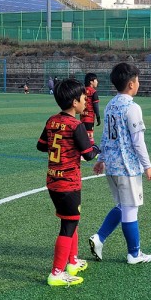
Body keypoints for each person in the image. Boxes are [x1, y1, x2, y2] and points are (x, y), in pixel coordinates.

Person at [89, 62, 151, 265]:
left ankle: (99, 238)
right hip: (127, 167)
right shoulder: (132, 107)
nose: (139, 83)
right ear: (131, 84)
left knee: (122, 205)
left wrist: (101, 159)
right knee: (130, 208)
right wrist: (147, 165)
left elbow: (106, 136)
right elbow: (138, 141)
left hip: (111, 166)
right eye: (137, 80)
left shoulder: (110, 105)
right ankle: (134, 254)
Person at [36, 78, 100, 287]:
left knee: (71, 219)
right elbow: (88, 155)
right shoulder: (76, 125)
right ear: (74, 102)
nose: (86, 102)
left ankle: (72, 262)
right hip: (68, 182)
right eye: (83, 98)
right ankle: (56, 273)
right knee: (69, 223)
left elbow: (41, 146)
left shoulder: (52, 120)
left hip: (53, 179)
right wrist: (97, 148)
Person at [81, 73, 101, 145]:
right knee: (90, 135)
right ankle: (90, 149)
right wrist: (98, 117)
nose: (97, 82)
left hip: (82, 116)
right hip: (89, 117)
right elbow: (95, 106)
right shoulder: (93, 92)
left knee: (84, 134)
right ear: (91, 82)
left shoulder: (82, 91)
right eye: (96, 80)